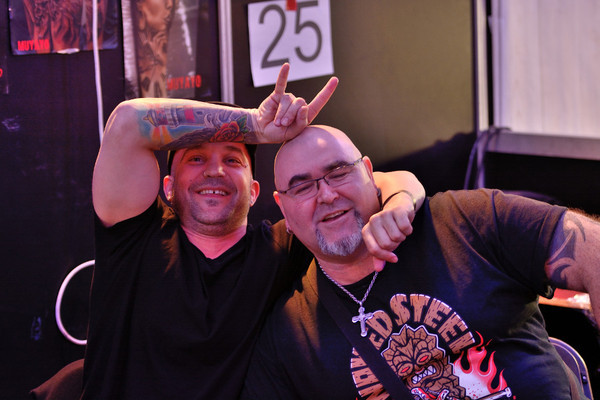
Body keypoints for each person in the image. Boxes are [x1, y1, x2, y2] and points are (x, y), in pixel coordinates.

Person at [76, 64, 425, 400]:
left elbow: (372, 183)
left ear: (255, 191)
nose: (215, 171)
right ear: (167, 187)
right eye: (196, 159)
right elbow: (128, 122)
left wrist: (399, 202)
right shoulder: (132, 238)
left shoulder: (282, 248)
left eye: (232, 160)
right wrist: (256, 126)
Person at [241, 125, 600, 400]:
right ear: (283, 209)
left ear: (369, 173)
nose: (327, 194)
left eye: (338, 172)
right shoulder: (288, 336)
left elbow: (592, 247)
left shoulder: (465, 222)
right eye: (302, 187)